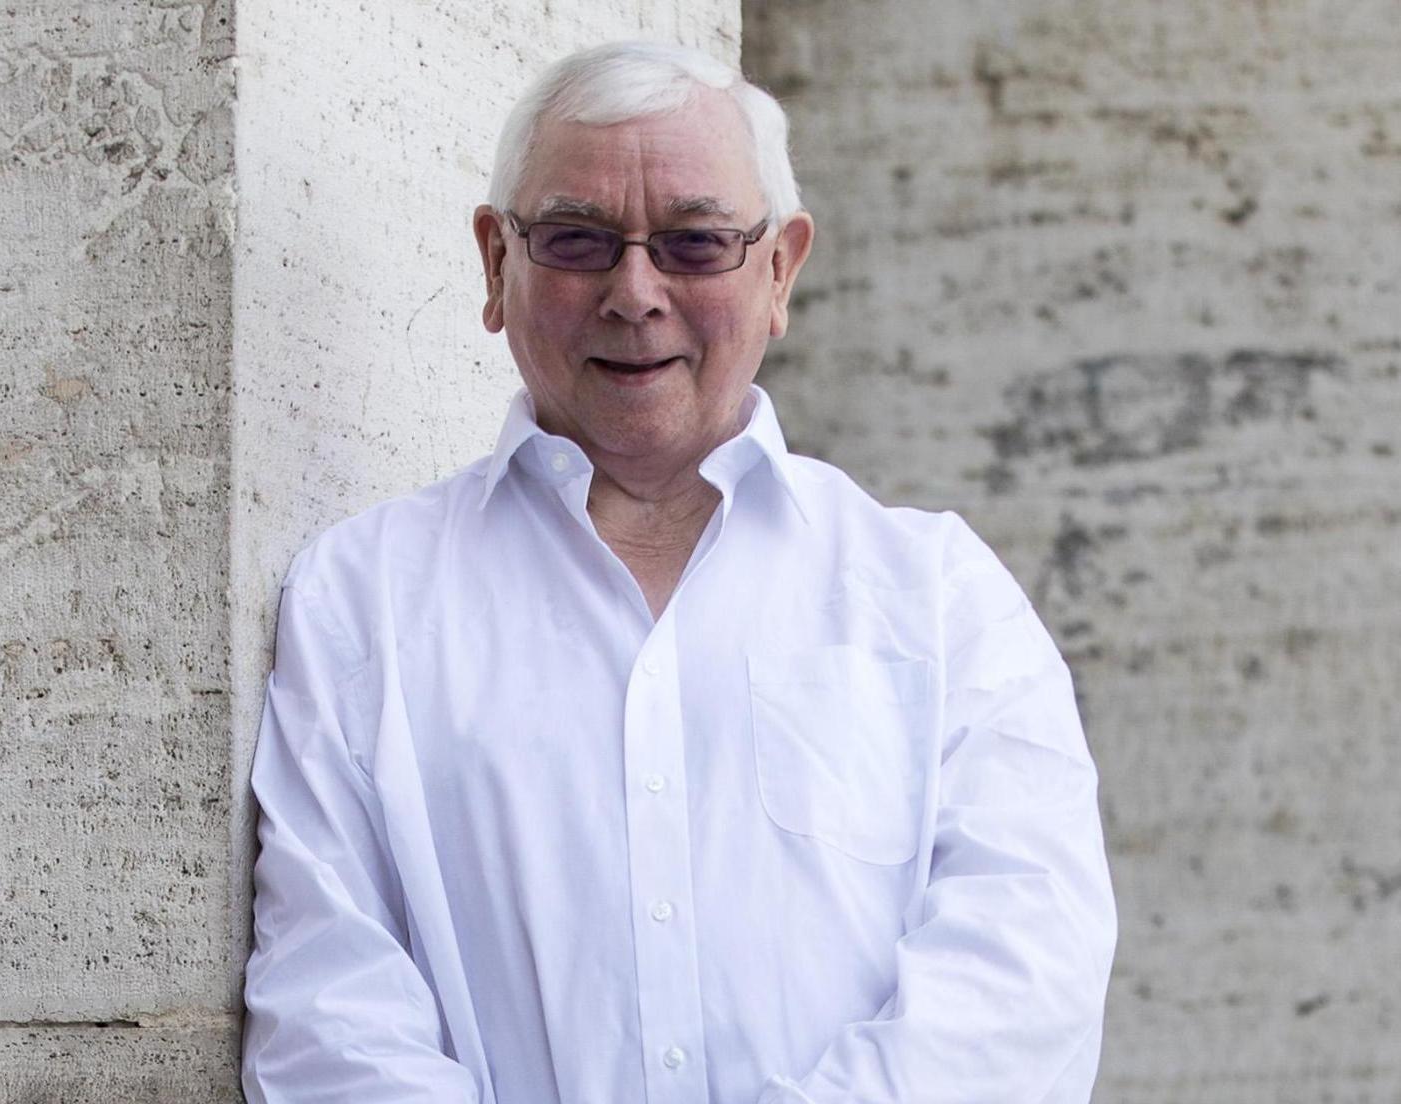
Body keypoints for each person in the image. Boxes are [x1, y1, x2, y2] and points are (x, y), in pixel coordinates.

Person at [241, 40, 1116, 1104]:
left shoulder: (938, 600)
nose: (634, 291)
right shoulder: (362, 601)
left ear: (781, 267)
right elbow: (330, 1013)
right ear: (493, 263)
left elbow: (1021, 983)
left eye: (696, 245)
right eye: (574, 240)